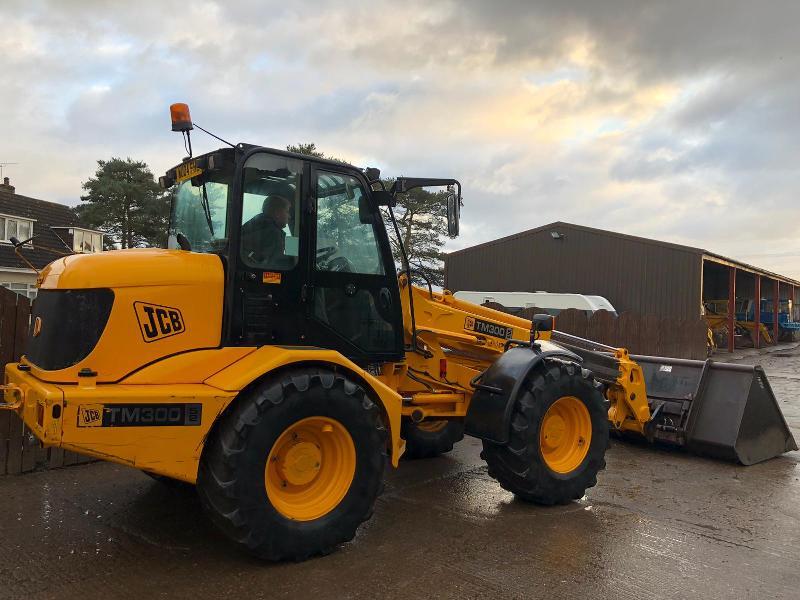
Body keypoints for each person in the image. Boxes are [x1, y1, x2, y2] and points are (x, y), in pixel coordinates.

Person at [241, 195, 291, 266]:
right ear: (277, 213)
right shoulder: (273, 233)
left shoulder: (253, 225)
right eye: (287, 212)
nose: (289, 216)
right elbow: (277, 265)